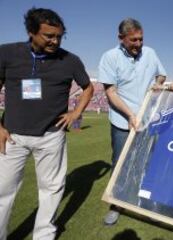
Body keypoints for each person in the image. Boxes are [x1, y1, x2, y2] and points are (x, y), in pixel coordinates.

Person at [0, 7, 93, 240]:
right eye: (49, 35)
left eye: (59, 36)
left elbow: (88, 87)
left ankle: (44, 235)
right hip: (11, 136)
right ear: (31, 32)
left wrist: (75, 113)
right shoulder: (7, 53)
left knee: (51, 190)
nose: (55, 41)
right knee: (2, 192)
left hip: (52, 135)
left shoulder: (70, 60)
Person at [98, 18, 166, 226]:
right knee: (120, 163)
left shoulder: (151, 52)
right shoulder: (109, 57)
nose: (138, 44)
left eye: (141, 39)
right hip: (122, 121)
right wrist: (129, 115)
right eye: (133, 40)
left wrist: (156, 85)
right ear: (121, 38)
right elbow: (110, 91)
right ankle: (117, 205)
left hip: (148, 120)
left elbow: (162, 75)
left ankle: (142, 201)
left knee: (147, 162)